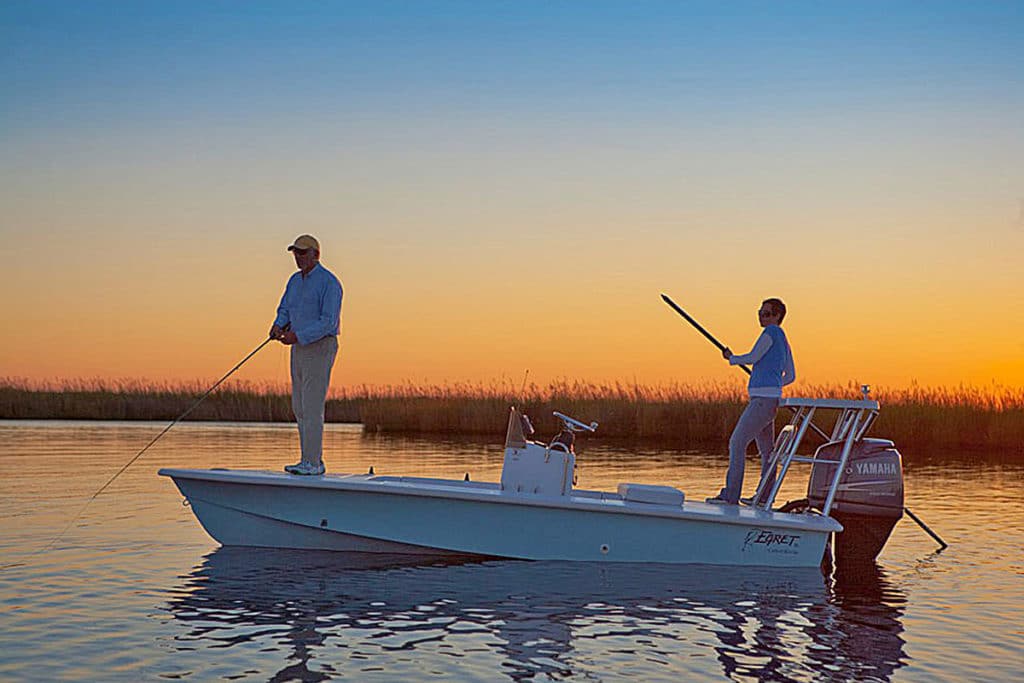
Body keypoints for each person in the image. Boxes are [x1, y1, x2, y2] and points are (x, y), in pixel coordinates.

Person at [707, 298, 795, 505]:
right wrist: (774, 384)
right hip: (770, 400)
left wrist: (732, 358)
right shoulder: (784, 341)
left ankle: (731, 495)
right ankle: (764, 498)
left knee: (737, 443)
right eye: (760, 312)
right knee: (767, 452)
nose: (760, 316)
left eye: (765, 313)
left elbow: (754, 357)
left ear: (776, 316)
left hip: (761, 401)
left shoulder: (771, 333)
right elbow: (790, 375)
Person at [270, 234, 343, 475]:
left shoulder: (329, 283)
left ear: (316, 254)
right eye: (295, 253)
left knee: (312, 405)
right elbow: (285, 309)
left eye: (302, 253)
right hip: (298, 348)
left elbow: (328, 322)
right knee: (299, 405)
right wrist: (279, 326)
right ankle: (306, 460)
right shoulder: (294, 281)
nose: (298, 258)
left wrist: (298, 335)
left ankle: (314, 463)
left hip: (320, 346)